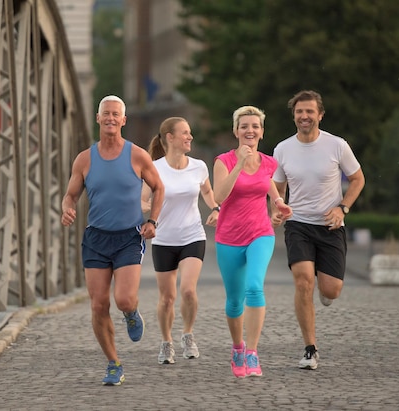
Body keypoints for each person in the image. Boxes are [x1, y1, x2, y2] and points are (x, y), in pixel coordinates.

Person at [61, 95, 164, 386]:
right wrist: (67, 208)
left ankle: (131, 313)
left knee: (124, 299)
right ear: (98, 118)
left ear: (123, 120)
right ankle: (113, 363)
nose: (110, 118)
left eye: (115, 114)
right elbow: (71, 194)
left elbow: (159, 188)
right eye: (105, 114)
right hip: (96, 238)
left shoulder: (137, 155)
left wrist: (152, 221)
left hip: (128, 237)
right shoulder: (84, 159)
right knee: (97, 305)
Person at [272, 90, 365, 370]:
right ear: (294, 115)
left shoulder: (337, 146)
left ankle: (327, 291)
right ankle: (310, 349)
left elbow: (358, 179)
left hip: (330, 225)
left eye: (310, 111)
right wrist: (278, 207)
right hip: (298, 224)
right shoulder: (283, 149)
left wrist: (343, 207)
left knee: (331, 289)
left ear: (320, 115)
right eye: (300, 112)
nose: (304, 116)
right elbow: (277, 185)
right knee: (303, 282)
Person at [213, 106, 293, 378]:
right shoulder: (223, 161)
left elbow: (268, 184)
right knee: (234, 301)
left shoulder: (269, 162)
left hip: (260, 233)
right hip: (228, 238)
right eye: (244, 126)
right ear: (236, 131)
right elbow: (219, 198)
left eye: (255, 126)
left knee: (254, 287)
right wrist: (238, 165)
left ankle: (253, 352)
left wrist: (279, 204)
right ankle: (238, 348)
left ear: (262, 131)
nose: (250, 130)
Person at [141, 117, 219, 365]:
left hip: (192, 235)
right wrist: (149, 212)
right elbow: (143, 199)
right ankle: (166, 342)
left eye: (190, 133)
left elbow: (206, 191)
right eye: (185, 133)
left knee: (187, 290)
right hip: (164, 238)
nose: (190, 137)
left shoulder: (198, 166)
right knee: (167, 298)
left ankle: (187, 334)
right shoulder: (154, 169)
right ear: (170, 137)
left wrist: (215, 207)